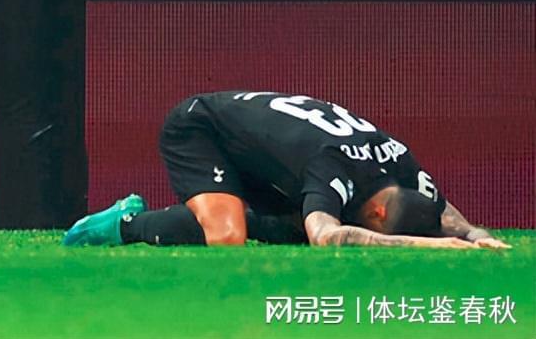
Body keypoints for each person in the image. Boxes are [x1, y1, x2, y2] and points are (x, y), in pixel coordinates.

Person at [63, 90, 510, 249]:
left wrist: (478, 236)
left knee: (286, 227)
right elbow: (327, 236)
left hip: (264, 151)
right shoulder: (332, 167)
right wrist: (432, 246)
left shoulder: (400, 160)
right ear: (376, 213)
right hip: (201, 127)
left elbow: (445, 212)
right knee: (227, 235)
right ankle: (124, 223)